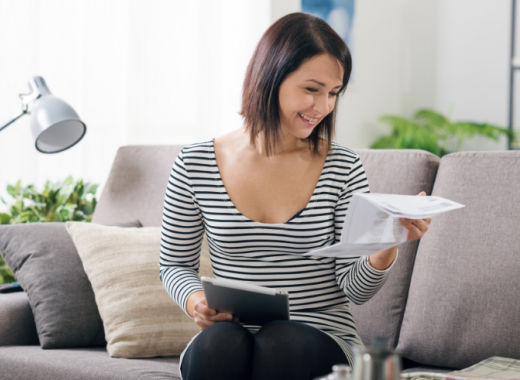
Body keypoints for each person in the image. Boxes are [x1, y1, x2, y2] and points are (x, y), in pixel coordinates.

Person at [159, 12, 431, 380]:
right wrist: (196, 300)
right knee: (219, 343)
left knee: (279, 340)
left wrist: (385, 248)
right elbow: (174, 264)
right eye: (312, 89)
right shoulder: (195, 163)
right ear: (271, 77)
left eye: (334, 93)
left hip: (321, 336)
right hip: (231, 332)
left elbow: (353, 287)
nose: (323, 107)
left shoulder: (343, 167)